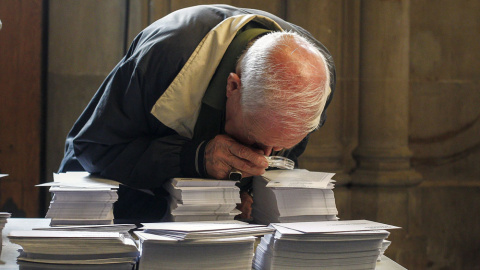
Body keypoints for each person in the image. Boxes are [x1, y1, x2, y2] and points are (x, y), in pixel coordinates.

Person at [58, 4, 336, 221]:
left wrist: (249, 191)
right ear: (232, 86)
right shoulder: (165, 55)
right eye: (256, 141)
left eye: (281, 146)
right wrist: (194, 157)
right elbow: (94, 148)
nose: (265, 158)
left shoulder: (316, 76)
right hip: (108, 208)